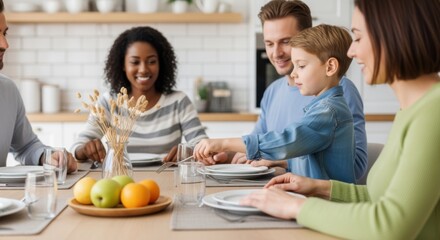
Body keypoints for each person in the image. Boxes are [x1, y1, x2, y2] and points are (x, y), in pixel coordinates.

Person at [239, 0, 440, 239]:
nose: (350, 52)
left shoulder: (433, 112)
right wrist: (317, 187)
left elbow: (390, 225)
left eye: (357, 38)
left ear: (393, 34)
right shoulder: (411, 109)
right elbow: (378, 198)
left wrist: (294, 206)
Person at [205, 0, 368, 181]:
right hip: (287, 191)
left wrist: (282, 159)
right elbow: (256, 146)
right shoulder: (272, 92)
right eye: (269, 43)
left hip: (321, 200)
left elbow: (356, 167)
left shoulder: (340, 93)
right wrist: (225, 153)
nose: (276, 53)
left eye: (285, 42)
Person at [71, 26, 208, 163]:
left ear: (161, 64)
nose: (143, 69)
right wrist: (85, 150)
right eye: (135, 62)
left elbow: (204, 146)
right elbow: (77, 147)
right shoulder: (110, 102)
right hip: (121, 179)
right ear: (123, 65)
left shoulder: (179, 102)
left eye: (151, 61)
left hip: (167, 179)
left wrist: (189, 151)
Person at [0, 0, 77, 172]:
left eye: (4, 33)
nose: (5, 44)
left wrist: (47, 156)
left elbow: (26, 146)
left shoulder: (8, 90)